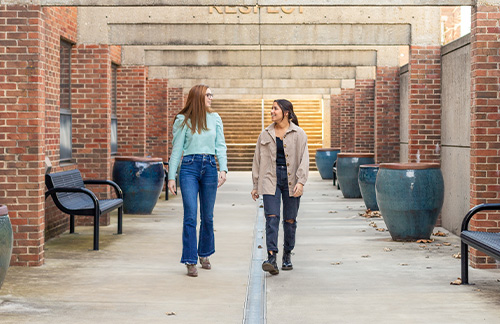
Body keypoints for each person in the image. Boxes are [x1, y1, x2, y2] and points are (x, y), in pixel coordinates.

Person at [167, 84, 228, 277]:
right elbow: (177, 149)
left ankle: (205, 254)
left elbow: (221, 145)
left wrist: (223, 168)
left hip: (210, 167)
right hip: (189, 168)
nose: (211, 97)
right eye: (208, 94)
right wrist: (171, 176)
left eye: (211, 94)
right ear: (199, 97)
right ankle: (190, 260)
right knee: (191, 215)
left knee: (208, 217)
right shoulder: (183, 120)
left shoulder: (215, 118)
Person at [251, 99, 309, 275]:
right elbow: (257, 160)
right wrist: (255, 185)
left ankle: (287, 255)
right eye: (271, 108)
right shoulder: (265, 134)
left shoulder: (299, 134)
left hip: (292, 180)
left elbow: (304, 160)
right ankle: (271, 258)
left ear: (286, 112)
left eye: (275, 108)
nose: (271, 111)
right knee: (272, 217)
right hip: (270, 179)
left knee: (290, 220)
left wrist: (301, 182)